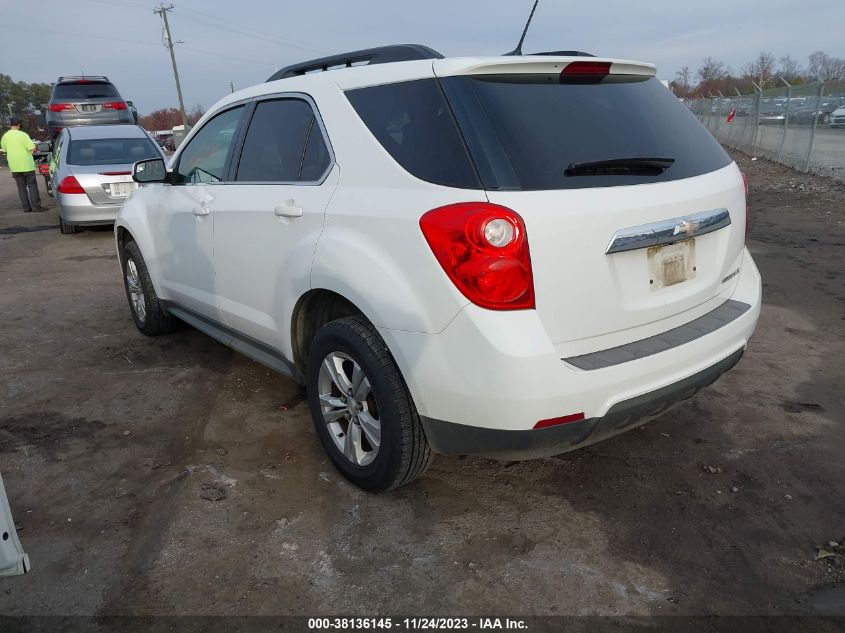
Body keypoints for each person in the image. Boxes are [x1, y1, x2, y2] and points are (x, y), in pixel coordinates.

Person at [0, 118, 44, 212]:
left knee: (21, 187)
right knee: (32, 186)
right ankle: (36, 207)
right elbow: (32, 148)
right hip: (27, 165)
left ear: (11, 124)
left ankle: (26, 208)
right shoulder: (23, 135)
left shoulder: (5, 136)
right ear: (19, 125)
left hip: (15, 167)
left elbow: (4, 149)